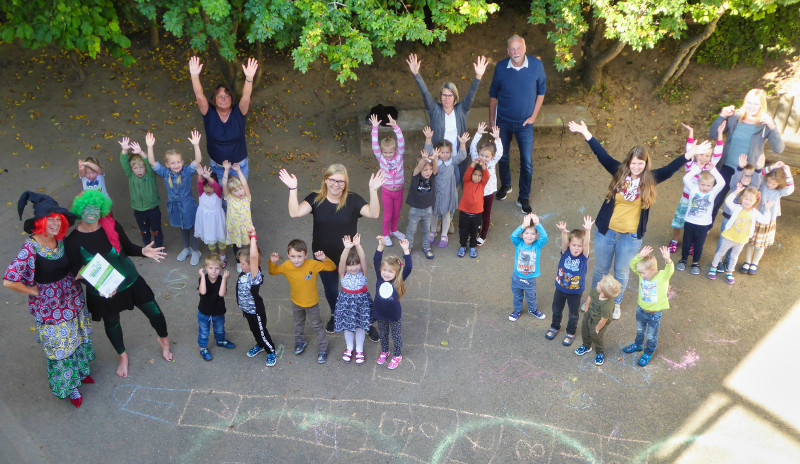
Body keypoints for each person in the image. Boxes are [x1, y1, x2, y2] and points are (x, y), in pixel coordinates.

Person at [568, 119, 701, 320]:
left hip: (630, 237)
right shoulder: (619, 172)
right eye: (634, 163)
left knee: (621, 272)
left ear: (645, 164)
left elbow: (670, 168)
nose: (637, 167)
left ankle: (617, 303)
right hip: (607, 232)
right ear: (628, 162)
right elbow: (601, 155)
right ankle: (595, 298)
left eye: (641, 163)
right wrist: (586, 133)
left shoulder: (650, 179)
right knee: (601, 269)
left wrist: (689, 154)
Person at [64, 190, 170, 378]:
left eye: (96, 208)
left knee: (155, 312)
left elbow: (127, 248)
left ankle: (164, 341)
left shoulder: (110, 225)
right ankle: (123, 356)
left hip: (129, 280)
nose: (92, 212)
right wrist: (100, 286)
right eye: (87, 208)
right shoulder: (73, 241)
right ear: (80, 210)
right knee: (112, 323)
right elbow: (76, 272)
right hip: (102, 292)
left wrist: (143, 251)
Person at [4, 192, 95, 408]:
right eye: (50, 219)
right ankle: (69, 386)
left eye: (58, 219)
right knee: (61, 347)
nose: (55, 224)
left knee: (77, 337)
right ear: (40, 222)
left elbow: (73, 265)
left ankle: (80, 372)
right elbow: (8, 281)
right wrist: (33, 291)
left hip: (72, 298)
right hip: (51, 307)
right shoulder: (30, 248)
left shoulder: (60, 240)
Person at [278, 165, 385, 340]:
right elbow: (295, 212)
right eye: (332, 180)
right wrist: (292, 189)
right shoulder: (315, 199)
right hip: (323, 255)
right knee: (331, 289)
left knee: (358, 288)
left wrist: (373, 190)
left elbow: (373, 214)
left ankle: (365, 322)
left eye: (340, 181)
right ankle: (337, 314)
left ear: (345, 183)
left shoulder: (352, 200)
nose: (336, 184)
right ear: (326, 180)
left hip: (350, 256)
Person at [488, 34, 547, 213]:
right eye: (512, 49)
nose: (516, 52)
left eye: (519, 48)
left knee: (526, 162)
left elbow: (541, 92)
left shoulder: (536, 66)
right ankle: (506, 185)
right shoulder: (500, 68)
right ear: (508, 51)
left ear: (524, 49)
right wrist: (492, 120)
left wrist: (534, 116)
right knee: (502, 156)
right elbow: (493, 95)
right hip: (503, 122)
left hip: (525, 124)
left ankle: (524, 197)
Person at [407, 53, 487, 181]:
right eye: (444, 95)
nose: (447, 98)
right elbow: (425, 92)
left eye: (450, 95)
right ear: (440, 96)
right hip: (438, 156)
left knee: (456, 180)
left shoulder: (461, 110)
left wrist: (478, 76)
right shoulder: (435, 110)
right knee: (437, 182)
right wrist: (416, 74)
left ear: (455, 97)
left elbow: (471, 94)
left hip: (455, 156)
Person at [709, 88, 785, 220]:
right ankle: (705, 227)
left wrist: (772, 126)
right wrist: (722, 115)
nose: (751, 107)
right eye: (749, 102)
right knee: (715, 199)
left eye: (756, 104)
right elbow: (713, 134)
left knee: (742, 205)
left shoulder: (765, 123)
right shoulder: (735, 116)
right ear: (745, 101)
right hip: (726, 166)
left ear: (762, 105)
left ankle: (731, 234)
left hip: (747, 172)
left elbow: (778, 148)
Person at [189, 55, 257, 180]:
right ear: (214, 100)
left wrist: (249, 78)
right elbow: (199, 96)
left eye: (227, 96)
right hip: (217, 168)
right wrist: (194, 76)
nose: (224, 99)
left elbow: (246, 97)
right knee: (220, 198)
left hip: (239, 167)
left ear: (232, 99)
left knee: (240, 198)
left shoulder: (239, 112)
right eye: (220, 96)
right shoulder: (209, 113)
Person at [268, 239, 336, 365]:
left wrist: (324, 258)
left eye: (299, 256)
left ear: (306, 255)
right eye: (293, 256)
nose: (296, 259)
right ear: (288, 255)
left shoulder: (312, 264)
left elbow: (331, 267)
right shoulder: (286, 266)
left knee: (317, 325)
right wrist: (273, 263)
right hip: (296, 302)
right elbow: (273, 271)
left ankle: (322, 349)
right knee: (298, 323)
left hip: (312, 303)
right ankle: (300, 342)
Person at [146, 131, 203, 265]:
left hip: (188, 206)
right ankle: (186, 248)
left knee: (192, 228)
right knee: (182, 228)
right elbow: (152, 162)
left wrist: (196, 145)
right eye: (172, 163)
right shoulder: (165, 173)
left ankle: (196, 251)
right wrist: (149, 147)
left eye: (178, 162)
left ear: (182, 162)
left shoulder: (187, 172)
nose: (176, 165)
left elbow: (198, 160)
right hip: (175, 207)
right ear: (167, 164)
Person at [667, 123, 724, 253]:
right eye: (701, 154)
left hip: (702, 200)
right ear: (696, 154)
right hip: (687, 198)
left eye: (707, 155)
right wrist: (691, 133)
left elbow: (718, 153)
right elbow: (689, 150)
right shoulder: (690, 164)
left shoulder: (710, 166)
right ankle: (675, 240)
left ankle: (692, 243)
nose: (704, 158)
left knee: (696, 221)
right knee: (680, 219)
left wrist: (720, 134)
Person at [622, 246, 674, 367]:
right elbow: (633, 265)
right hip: (641, 310)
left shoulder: (662, 277)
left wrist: (668, 260)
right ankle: (638, 345)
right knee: (640, 330)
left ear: (652, 269)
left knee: (651, 335)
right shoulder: (642, 274)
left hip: (654, 314)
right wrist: (639, 256)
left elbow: (670, 270)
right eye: (640, 273)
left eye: (643, 273)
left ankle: (648, 352)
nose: (641, 275)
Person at [546, 216, 593, 347]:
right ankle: (554, 327)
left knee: (573, 314)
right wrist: (563, 232)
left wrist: (588, 230)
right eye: (574, 245)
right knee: (556, 309)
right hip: (560, 288)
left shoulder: (583, 257)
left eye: (580, 246)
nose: (576, 248)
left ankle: (570, 333)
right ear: (569, 245)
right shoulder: (565, 252)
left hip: (575, 292)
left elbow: (587, 243)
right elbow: (564, 242)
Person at [713, 154, 764, 274]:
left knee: (735, 242)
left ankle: (728, 261)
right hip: (729, 218)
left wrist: (757, 170)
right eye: (744, 175)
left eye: (750, 176)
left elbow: (756, 183)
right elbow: (735, 179)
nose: (746, 178)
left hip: (741, 223)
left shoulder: (751, 190)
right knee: (723, 240)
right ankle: (718, 261)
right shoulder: (736, 185)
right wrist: (739, 169)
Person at [709, 185, 771, 284]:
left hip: (741, 239)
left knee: (734, 256)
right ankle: (713, 267)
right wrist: (736, 192)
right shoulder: (737, 208)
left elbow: (765, 220)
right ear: (741, 198)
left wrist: (767, 210)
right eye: (746, 198)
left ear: (755, 201)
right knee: (721, 252)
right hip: (729, 236)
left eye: (751, 200)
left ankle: (730, 272)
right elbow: (728, 201)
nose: (747, 201)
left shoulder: (755, 213)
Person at [741, 161, 794, 275]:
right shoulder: (762, 184)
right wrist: (773, 167)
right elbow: (759, 174)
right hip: (756, 218)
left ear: (779, 184)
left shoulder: (780, 191)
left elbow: (790, 189)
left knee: (761, 244)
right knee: (751, 242)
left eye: (773, 184)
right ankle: (747, 261)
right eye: (769, 182)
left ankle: (755, 262)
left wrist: (788, 173)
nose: (770, 185)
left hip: (769, 221)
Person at [237, 226, 277, 366]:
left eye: (242, 263)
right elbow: (251, 254)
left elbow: (253, 257)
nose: (240, 265)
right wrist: (250, 239)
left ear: (252, 264)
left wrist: (254, 236)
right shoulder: (246, 273)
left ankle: (270, 350)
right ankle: (259, 345)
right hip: (247, 310)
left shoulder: (255, 276)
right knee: (254, 330)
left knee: (261, 331)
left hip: (256, 311)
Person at [677, 166, 725, 275]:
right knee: (686, 243)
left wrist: (713, 170)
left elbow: (722, 183)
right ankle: (683, 260)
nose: (705, 187)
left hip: (703, 225)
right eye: (702, 184)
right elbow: (686, 178)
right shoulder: (693, 188)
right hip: (690, 222)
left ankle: (695, 263)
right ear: (698, 182)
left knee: (699, 245)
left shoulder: (713, 192)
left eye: (708, 185)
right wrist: (698, 168)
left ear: (712, 185)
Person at [373, 236, 412, 370]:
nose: (386, 274)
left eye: (390, 271)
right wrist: (381, 246)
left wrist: (406, 251)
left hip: (394, 315)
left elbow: (409, 268)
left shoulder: (397, 281)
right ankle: (385, 351)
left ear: (396, 273)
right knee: (383, 334)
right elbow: (376, 260)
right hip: (380, 313)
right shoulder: (379, 277)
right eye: (384, 270)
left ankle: (397, 354)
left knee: (396, 336)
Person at [425, 131, 469, 248]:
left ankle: (444, 234)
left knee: (446, 213)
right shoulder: (434, 161)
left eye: (447, 152)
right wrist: (428, 138)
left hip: (447, 193)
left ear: (451, 152)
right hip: (435, 193)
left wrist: (463, 144)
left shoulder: (452, 162)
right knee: (434, 213)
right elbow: (428, 152)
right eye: (442, 152)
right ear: (437, 152)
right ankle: (433, 231)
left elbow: (462, 156)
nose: (445, 155)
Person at [334, 234, 373, 364]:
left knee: (360, 327)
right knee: (348, 327)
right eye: (350, 265)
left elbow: (363, 258)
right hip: (347, 304)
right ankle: (349, 348)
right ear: (346, 267)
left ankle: (359, 350)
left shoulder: (363, 271)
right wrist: (346, 249)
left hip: (361, 303)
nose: (354, 267)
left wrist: (358, 245)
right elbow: (341, 262)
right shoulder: (343, 273)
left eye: (356, 264)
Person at [369, 113, 406, 246]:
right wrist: (375, 128)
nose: (388, 155)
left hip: (399, 190)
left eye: (390, 152)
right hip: (387, 191)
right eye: (385, 153)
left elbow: (401, 140)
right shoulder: (381, 158)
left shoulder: (399, 155)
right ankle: (385, 234)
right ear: (382, 152)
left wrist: (396, 127)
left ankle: (394, 230)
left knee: (397, 213)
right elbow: (374, 146)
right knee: (388, 214)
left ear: (395, 150)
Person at [119, 137, 163, 247]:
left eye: (141, 167)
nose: (138, 170)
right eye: (135, 168)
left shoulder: (150, 174)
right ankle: (147, 246)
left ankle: (158, 246)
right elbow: (124, 162)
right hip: (138, 209)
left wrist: (142, 153)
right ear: (131, 169)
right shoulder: (130, 175)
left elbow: (150, 163)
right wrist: (124, 150)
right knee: (143, 230)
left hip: (153, 209)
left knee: (156, 229)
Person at [508, 213, 548, 322]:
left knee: (531, 297)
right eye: (526, 233)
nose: (529, 236)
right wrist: (522, 226)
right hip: (517, 277)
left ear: (536, 236)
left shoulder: (537, 245)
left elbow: (545, 237)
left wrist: (537, 224)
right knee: (517, 297)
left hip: (530, 279)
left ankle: (533, 310)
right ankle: (517, 310)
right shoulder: (518, 242)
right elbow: (513, 236)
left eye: (532, 233)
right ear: (522, 234)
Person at [469, 122, 504, 246]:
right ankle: (477, 228)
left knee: (486, 214)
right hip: (477, 192)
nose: (483, 158)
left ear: (492, 156)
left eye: (487, 156)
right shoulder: (476, 159)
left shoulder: (492, 162)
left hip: (488, 193)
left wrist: (497, 138)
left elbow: (500, 152)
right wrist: (478, 134)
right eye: (482, 155)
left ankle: (483, 235)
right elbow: (472, 147)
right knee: (476, 212)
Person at [575, 275, 621, 366]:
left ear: (603, 293)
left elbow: (604, 320)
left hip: (599, 322)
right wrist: (586, 310)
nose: (598, 283)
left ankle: (600, 353)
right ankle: (586, 346)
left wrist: (596, 329)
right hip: (589, 314)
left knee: (596, 336)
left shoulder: (607, 306)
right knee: (585, 331)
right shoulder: (596, 291)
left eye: (600, 284)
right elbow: (589, 298)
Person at [197, 254, 234, 361]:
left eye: (217, 268)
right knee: (204, 332)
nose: (213, 271)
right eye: (210, 268)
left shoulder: (221, 279)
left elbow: (222, 294)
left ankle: (220, 340)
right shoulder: (202, 279)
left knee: (219, 329)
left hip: (218, 311)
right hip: (204, 312)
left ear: (221, 269)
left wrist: (225, 279)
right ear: (205, 268)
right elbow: (203, 292)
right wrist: (202, 276)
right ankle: (203, 348)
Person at [404, 146, 439, 259]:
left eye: (429, 169)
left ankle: (426, 246)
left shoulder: (432, 176)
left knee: (426, 230)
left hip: (428, 209)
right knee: (411, 230)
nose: (428, 172)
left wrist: (434, 159)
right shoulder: (416, 175)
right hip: (415, 209)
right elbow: (419, 167)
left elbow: (435, 169)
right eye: (425, 169)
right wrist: (424, 160)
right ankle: (408, 247)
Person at [222, 160, 253, 271]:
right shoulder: (229, 198)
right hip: (235, 228)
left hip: (246, 228)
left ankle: (248, 261)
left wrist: (239, 171)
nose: (239, 192)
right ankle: (239, 262)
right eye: (235, 190)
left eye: (240, 189)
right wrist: (226, 170)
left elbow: (245, 184)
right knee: (237, 246)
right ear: (230, 192)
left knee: (247, 246)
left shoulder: (247, 197)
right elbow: (224, 184)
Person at [456, 159, 489, 258]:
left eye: (479, 175)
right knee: (463, 231)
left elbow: (486, 176)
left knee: (474, 232)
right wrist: (473, 164)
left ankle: (472, 246)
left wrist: (484, 167)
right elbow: (467, 174)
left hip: (477, 215)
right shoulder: (467, 182)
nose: (477, 177)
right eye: (475, 174)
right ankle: (462, 246)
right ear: (471, 175)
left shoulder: (482, 185)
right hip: (464, 214)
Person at [195, 166, 227, 264]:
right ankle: (214, 256)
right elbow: (199, 183)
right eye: (206, 186)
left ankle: (222, 256)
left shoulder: (218, 193)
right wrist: (200, 175)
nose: (208, 189)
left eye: (210, 186)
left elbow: (216, 186)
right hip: (206, 222)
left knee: (221, 240)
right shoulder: (201, 192)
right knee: (210, 240)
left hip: (217, 221)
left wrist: (209, 178)